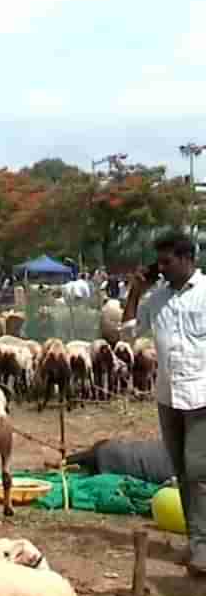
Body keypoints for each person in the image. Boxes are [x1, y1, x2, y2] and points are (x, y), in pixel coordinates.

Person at [123, 230, 206, 576]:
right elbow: (125, 331)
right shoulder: (156, 299)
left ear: (188, 259)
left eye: (167, 262)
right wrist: (135, 291)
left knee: (199, 470)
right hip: (169, 397)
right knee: (183, 472)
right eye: (159, 262)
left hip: (202, 395)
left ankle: (202, 547)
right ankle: (197, 540)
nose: (162, 268)